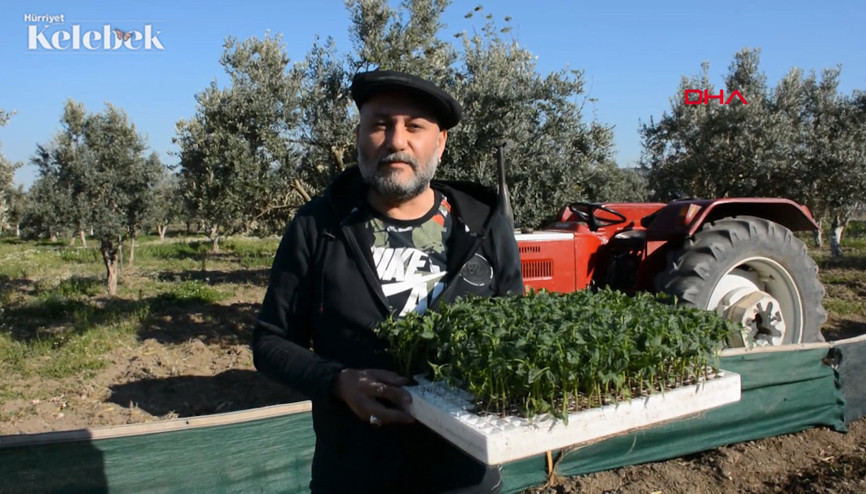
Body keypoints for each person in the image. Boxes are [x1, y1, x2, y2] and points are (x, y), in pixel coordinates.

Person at [252, 69, 524, 494]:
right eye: (380, 124)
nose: (397, 141)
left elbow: (516, 334)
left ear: (441, 142)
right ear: (359, 136)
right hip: (354, 475)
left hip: (465, 477)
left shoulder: (486, 228)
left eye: (415, 126)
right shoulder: (319, 226)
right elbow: (270, 341)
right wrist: (338, 381)